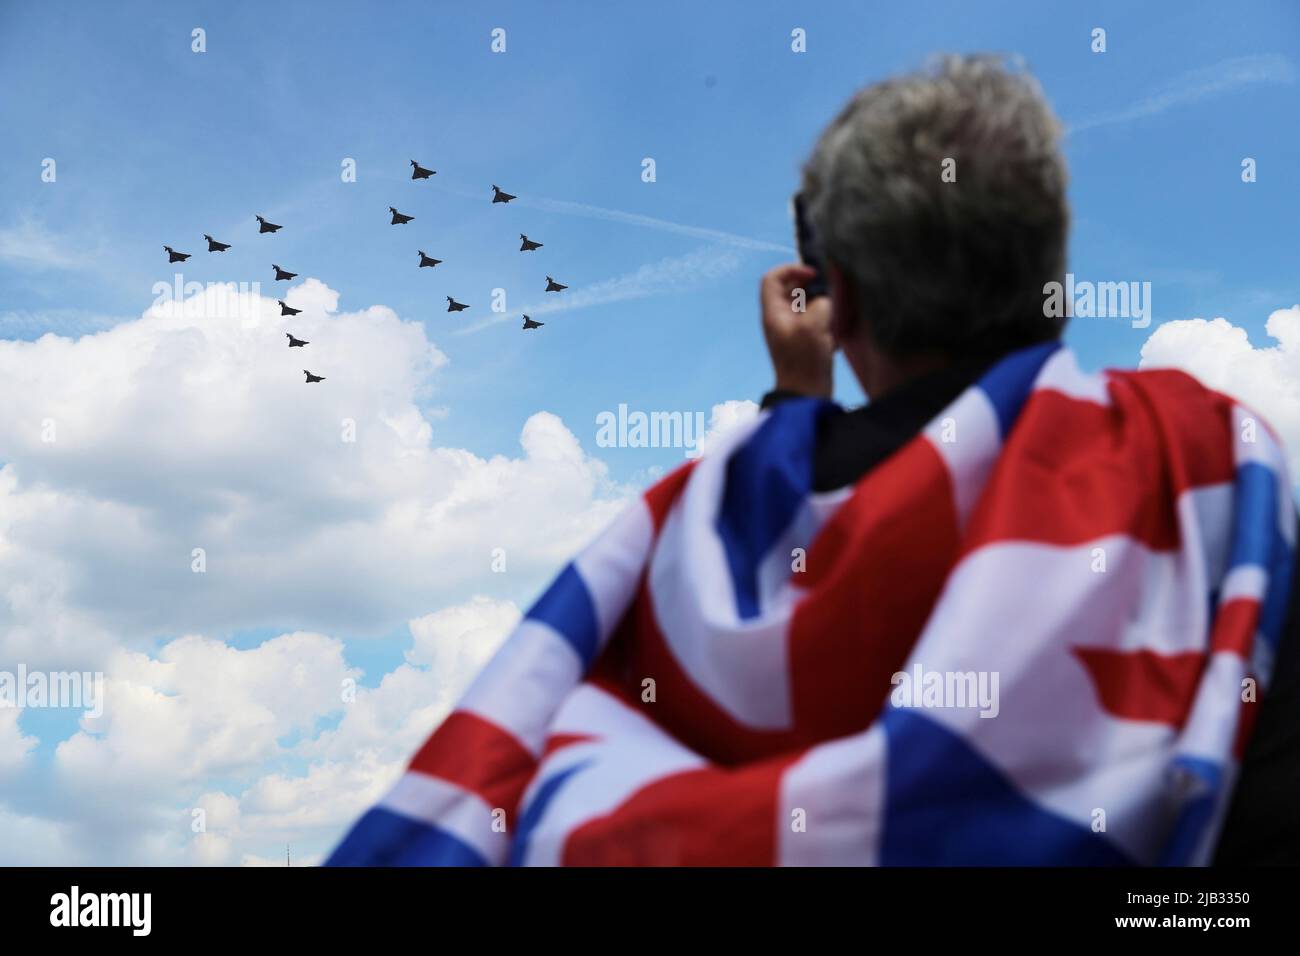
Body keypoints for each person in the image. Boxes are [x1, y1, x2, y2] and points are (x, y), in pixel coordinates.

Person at [328, 55, 1296, 866]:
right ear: (1051, 277)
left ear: (845, 299)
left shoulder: (709, 526)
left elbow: (537, 758)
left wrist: (795, 406)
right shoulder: (1204, 468)